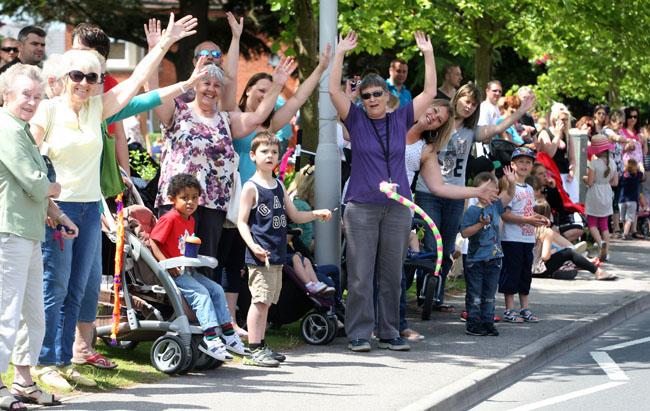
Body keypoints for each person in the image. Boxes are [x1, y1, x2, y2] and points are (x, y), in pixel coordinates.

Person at [29, 13, 198, 390]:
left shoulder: (97, 108)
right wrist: (45, 203)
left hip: (90, 209)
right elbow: (30, 161)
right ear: (61, 78)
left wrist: (164, 45)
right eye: (77, 76)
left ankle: (67, 359)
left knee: (77, 287)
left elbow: (138, 84)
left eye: (92, 77)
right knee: (53, 286)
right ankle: (43, 363)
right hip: (58, 211)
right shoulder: (47, 111)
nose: (85, 83)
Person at [328, 30, 437, 353]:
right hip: (361, 206)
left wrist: (427, 54)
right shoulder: (357, 120)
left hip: (398, 207)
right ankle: (360, 333)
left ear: (387, 96)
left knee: (392, 275)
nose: (372, 99)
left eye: (377, 94)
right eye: (366, 96)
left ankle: (389, 331)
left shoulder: (401, 117)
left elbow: (430, 91)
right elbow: (333, 89)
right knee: (361, 275)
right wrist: (340, 53)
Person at [413, 82, 535, 314]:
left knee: (448, 245)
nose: (468, 107)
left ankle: (436, 295)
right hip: (429, 191)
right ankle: (423, 294)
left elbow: (496, 129)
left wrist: (520, 112)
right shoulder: (437, 123)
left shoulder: (471, 132)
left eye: (473, 104)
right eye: (466, 101)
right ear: (457, 98)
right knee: (431, 242)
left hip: (457, 193)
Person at [0, 63, 79, 409]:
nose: (31, 102)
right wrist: (56, 187)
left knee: (33, 314)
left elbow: (34, 188)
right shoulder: (5, 128)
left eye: (37, 96)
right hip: (8, 232)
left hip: (30, 232)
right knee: (6, 312)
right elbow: (35, 183)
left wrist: (59, 215)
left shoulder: (21, 130)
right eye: (24, 95)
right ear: (5, 96)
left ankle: (24, 383)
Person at [237, 132, 331, 367]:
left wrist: (315, 214)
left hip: (277, 254)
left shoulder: (278, 184)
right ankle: (254, 348)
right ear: (253, 155)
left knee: (267, 302)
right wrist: (254, 246)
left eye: (274, 152)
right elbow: (241, 221)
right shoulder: (251, 187)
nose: (270, 156)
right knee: (258, 301)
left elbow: (295, 216)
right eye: (264, 152)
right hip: (261, 256)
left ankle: (261, 342)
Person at [150, 174, 247, 361]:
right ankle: (211, 338)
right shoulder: (169, 218)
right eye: (184, 198)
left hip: (188, 270)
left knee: (217, 289)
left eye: (194, 197)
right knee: (201, 293)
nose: (190, 202)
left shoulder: (191, 220)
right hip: (175, 272)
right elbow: (154, 242)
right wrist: (165, 265)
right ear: (172, 199)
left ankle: (227, 334)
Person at [461, 167, 516, 336]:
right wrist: (480, 224)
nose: (494, 194)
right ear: (479, 192)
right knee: (475, 293)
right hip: (476, 259)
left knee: (489, 294)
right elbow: (464, 232)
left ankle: (488, 321)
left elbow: (509, 195)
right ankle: (473, 322)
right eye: (489, 190)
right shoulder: (472, 211)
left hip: (494, 258)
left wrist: (511, 183)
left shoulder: (495, 207)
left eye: (495, 190)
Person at [500, 147, 548, 323]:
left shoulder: (529, 188)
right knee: (511, 273)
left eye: (528, 162)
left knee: (525, 274)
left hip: (527, 237)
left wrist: (538, 218)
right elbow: (504, 214)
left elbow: (527, 211)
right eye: (520, 161)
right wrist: (528, 220)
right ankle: (509, 309)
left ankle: (525, 308)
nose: (524, 165)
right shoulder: (509, 186)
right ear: (512, 164)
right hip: (512, 238)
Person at [532, 200, 616, 280]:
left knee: (566, 253)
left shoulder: (526, 229)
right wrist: (553, 252)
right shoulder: (546, 232)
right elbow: (545, 257)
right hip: (539, 271)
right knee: (569, 253)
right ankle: (598, 272)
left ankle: (575, 263)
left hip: (527, 270)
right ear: (548, 215)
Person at [584, 134, 618, 262]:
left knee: (592, 222)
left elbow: (590, 182)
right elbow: (615, 183)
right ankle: (607, 252)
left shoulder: (594, 163)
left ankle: (600, 243)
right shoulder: (613, 163)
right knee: (604, 225)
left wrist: (584, 179)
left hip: (594, 194)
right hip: (607, 193)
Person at [537, 103, 578, 203]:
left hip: (565, 174)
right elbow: (549, 154)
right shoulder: (545, 133)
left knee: (572, 202)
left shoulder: (567, 135)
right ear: (555, 119)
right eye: (562, 119)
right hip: (551, 175)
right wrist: (557, 135)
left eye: (566, 119)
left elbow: (572, 157)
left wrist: (572, 170)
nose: (565, 122)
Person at [601, 110, 626, 236]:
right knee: (607, 199)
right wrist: (628, 141)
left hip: (619, 171)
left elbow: (620, 149)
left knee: (616, 200)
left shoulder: (619, 132)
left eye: (622, 123)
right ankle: (605, 227)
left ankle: (616, 228)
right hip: (608, 171)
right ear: (611, 121)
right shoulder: (607, 131)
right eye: (619, 123)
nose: (621, 125)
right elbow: (616, 139)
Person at [619, 158, 643, 240]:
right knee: (629, 219)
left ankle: (625, 232)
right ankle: (625, 234)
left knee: (623, 218)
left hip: (622, 200)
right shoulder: (637, 175)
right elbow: (641, 173)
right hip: (632, 200)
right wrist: (639, 167)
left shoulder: (623, 175)